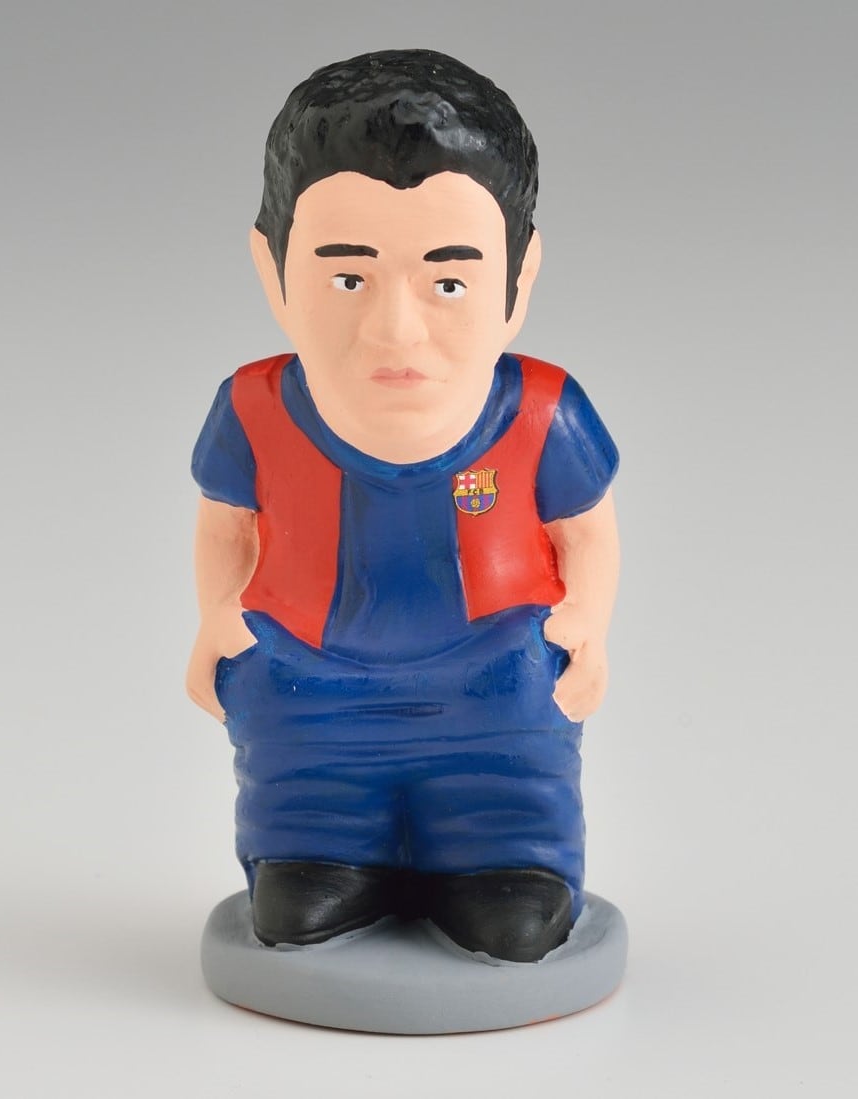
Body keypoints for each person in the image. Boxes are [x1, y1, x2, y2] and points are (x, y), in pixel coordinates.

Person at [186, 49, 620, 964]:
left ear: (518, 279)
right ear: (273, 271)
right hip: (306, 684)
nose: (395, 329)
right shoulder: (255, 410)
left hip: (496, 687)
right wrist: (214, 619)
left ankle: (506, 860)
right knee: (302, 821)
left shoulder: (540, 413)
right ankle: (322, 852)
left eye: (448, 282)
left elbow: (585, 530)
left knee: (508, 815)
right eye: (347, 279)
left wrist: (587, 623)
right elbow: (226, 526)